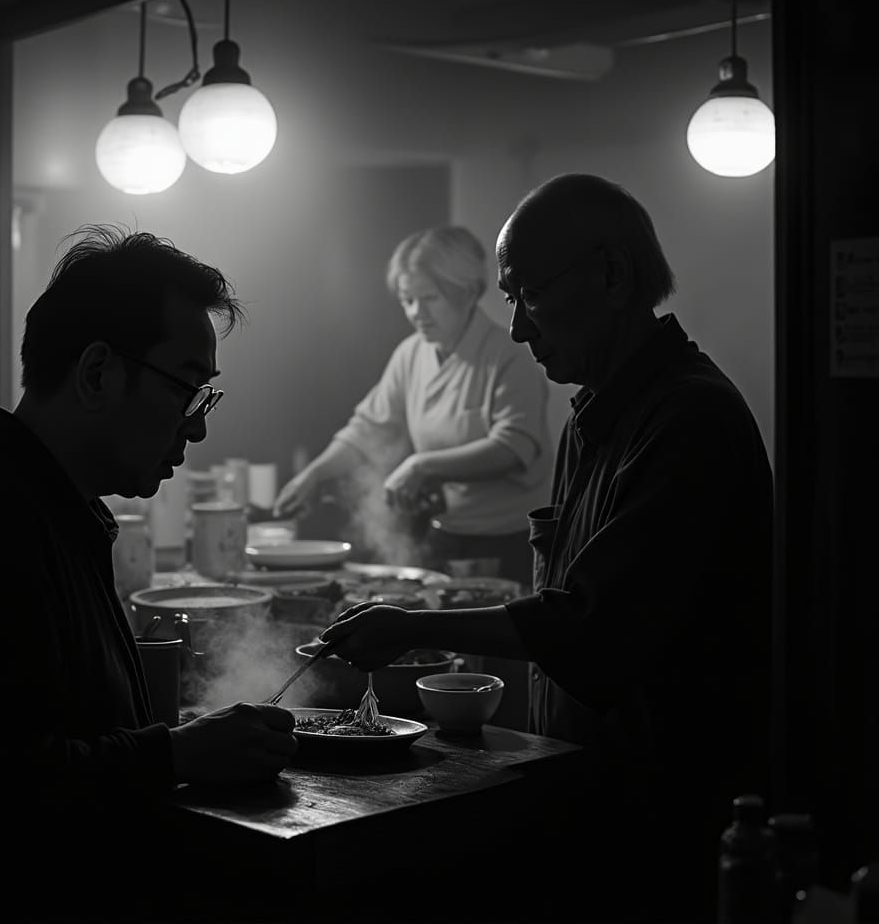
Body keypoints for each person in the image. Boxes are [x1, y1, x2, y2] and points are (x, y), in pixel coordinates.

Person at [318, 175, 773, 922]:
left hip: (667, 804)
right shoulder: (591, 418)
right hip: (589, 783)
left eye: (528, 294)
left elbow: (591, 626)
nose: (520, 328)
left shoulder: (690, 419)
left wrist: (412, 626)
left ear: (614, 276)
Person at [0, 226, 297, 922]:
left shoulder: (49, 508)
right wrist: (177, 753)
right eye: (186, 389)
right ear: (97, 374)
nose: (198, 428)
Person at [274, 225, 551, 587]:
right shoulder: (411, 354)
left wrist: (423, 466)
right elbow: (368, 429)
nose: (416, 312)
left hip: (509, 545)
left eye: (429, 298)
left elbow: (514, 447)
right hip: (443, 536)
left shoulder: (509, 355)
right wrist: (313, 476)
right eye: (407, 299)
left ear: (466, 293)